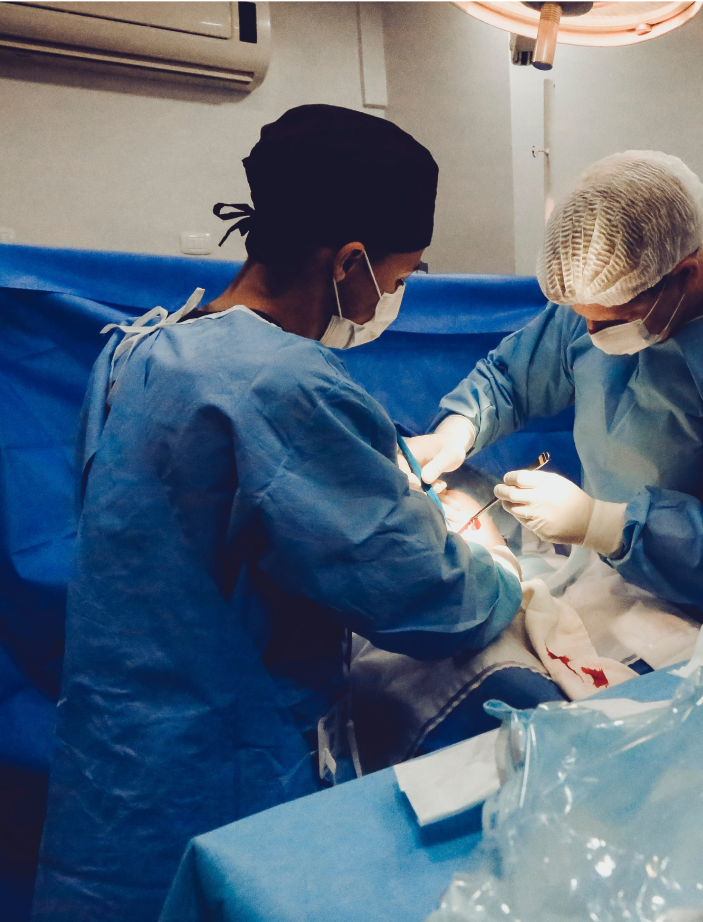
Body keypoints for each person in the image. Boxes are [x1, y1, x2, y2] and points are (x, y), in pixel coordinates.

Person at [33, 106, 521, 922]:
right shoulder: (279, 384)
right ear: (350, 262)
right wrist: (500, 573)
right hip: (211, 769)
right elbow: (419, 592)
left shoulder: (148, 345)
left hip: (114, 763)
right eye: (397, 280)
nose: (389, 300)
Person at [409, 151, 703, 619]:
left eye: (614, 320)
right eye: (583, 318)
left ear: (684, 274)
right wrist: (457, 430)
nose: (591, 336)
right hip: (629, 582)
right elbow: (513, 378)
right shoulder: (603, 294)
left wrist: (603, 524)